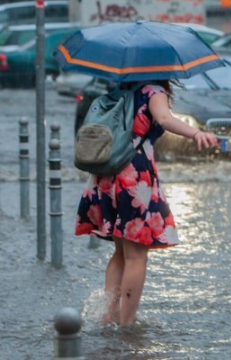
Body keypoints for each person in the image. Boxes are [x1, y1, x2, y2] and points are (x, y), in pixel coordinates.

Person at [75, 81, 218, 325]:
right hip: (134, 175)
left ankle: (107, 317)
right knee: (136, 255)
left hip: (108, 173)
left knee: (120, 252)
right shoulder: (153, 90)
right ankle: (127, 324)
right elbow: (164, 119)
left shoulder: (119, 88)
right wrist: (195, 133)